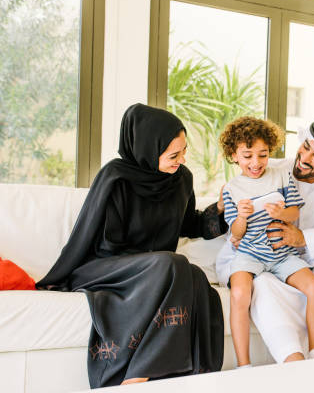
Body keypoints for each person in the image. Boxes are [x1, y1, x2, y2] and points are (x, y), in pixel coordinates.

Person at [36, 104, 226, 387]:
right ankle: (135, 377)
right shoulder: (116, 177)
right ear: (148, 148)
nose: (182, 159)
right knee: (172, 264)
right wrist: (151, 262)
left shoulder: (182, 179)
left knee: (197, 278)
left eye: (184, 151)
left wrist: (221, 209)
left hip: (157, 271)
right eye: (174, 154)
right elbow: (100, 239)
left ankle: (194, 379)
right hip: (105, 267)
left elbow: (190, 225)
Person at [216, 118, 314, 363]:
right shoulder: (271, 169)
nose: (305, 158)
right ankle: (290, 359)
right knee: (263, 284)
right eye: (306, 147)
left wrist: (305, 239)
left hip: (297, 259)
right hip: (257, 257)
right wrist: (235, 230)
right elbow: (235, 213)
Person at [218, 117, 314, 367]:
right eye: (247, 156)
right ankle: (243, 365)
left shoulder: (282, 175)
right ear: (234, 155)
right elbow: (236, 232)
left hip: (282, 253)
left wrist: (281, 213)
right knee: (240, 293)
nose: (255, 163)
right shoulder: (232, 189)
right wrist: (242, 217)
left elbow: (294, 212)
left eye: (262, 154)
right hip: (248, 254)